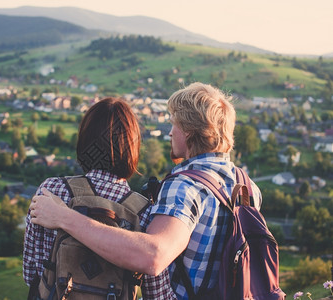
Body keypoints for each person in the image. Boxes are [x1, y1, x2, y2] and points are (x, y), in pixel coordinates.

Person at [30, 82, 263, 299]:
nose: (170, 132)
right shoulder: (248, 188)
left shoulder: (183, 187)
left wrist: (65, 217)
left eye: (175, 124)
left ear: (189, 131)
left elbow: (153, 258)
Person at [23, 97, 176, 299]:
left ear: (85, 141)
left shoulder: (51, 191)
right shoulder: (144, 212)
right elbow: (158, 294)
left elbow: (30, 273)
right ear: (132, 148)